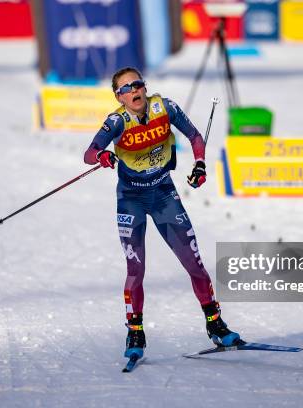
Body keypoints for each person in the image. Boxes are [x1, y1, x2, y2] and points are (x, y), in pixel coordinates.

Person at [83, 67, 240, 359]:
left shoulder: (164, 108)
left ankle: (215, 324)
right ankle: (135, 332)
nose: (134, 91)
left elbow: (195, 137)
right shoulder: (116, 121)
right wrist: (103, 155)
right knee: (136, 269)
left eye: (138, 84)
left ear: (145, 86)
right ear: (119, 97)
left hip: (164, 194)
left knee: (194, 264)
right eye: (126, 89)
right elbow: (89, 153)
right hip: (131, 199)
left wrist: (201, 164)